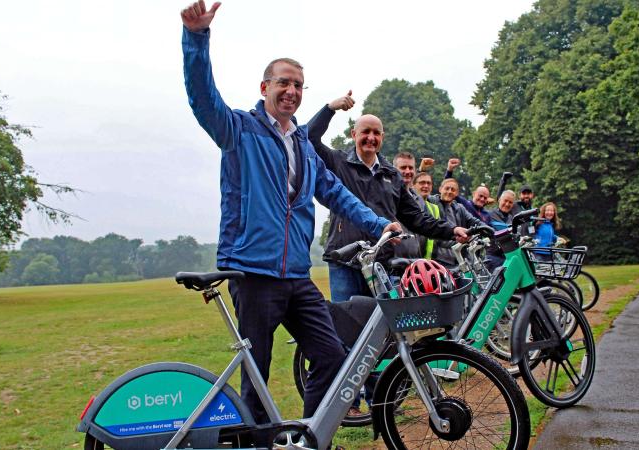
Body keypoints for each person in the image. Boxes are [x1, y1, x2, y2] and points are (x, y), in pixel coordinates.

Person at [180, 2, 402, 424]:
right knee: (257, 380)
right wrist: (196, 38)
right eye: (284, 83)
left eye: (299, 85)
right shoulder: (239, 130)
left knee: (334, 358)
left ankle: (311, 438)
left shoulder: (302, 143)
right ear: (264, 87)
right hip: (253, 273)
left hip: (297, 276)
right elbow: (202, 98)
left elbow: (335, 192)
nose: (292, 91)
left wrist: (378, 224)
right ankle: (261, 440)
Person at [307, 92, 468, 302]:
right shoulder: (337, 161)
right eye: (366, 132)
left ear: (383, 137)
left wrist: (451, 230)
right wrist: (330, 108)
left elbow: (416, 218)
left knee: (388, 330)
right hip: (344, 262)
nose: (371, 138)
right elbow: (307, 137)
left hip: (382, 264)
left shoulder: (392, 175)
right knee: (347, 326)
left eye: (376, 133)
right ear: (353, 134)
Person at [428, 178, 485, 268]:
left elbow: (474, 221)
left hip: (458, 259)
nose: (449, 191)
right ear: (440, 189)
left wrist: (488, 230)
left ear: (457, 193)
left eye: (453, 189)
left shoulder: (459, 208)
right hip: (437, 259)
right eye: (447, 188)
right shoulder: (431, 201)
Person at [412, 172, 441, 259]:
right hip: (410, 259)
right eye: (422, 183)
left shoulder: (435, 208)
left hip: (429, 261)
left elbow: (439, 235)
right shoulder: (407, 204)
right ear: (413, 186)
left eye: (429, 183)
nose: (426, 186)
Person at [485, 190, 516, 270]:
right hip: (492, 257)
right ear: (499, 200)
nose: (507, 204)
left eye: (510, 202)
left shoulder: (511, 219)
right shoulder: (489, 215)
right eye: (505, 200)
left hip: (507, 257)